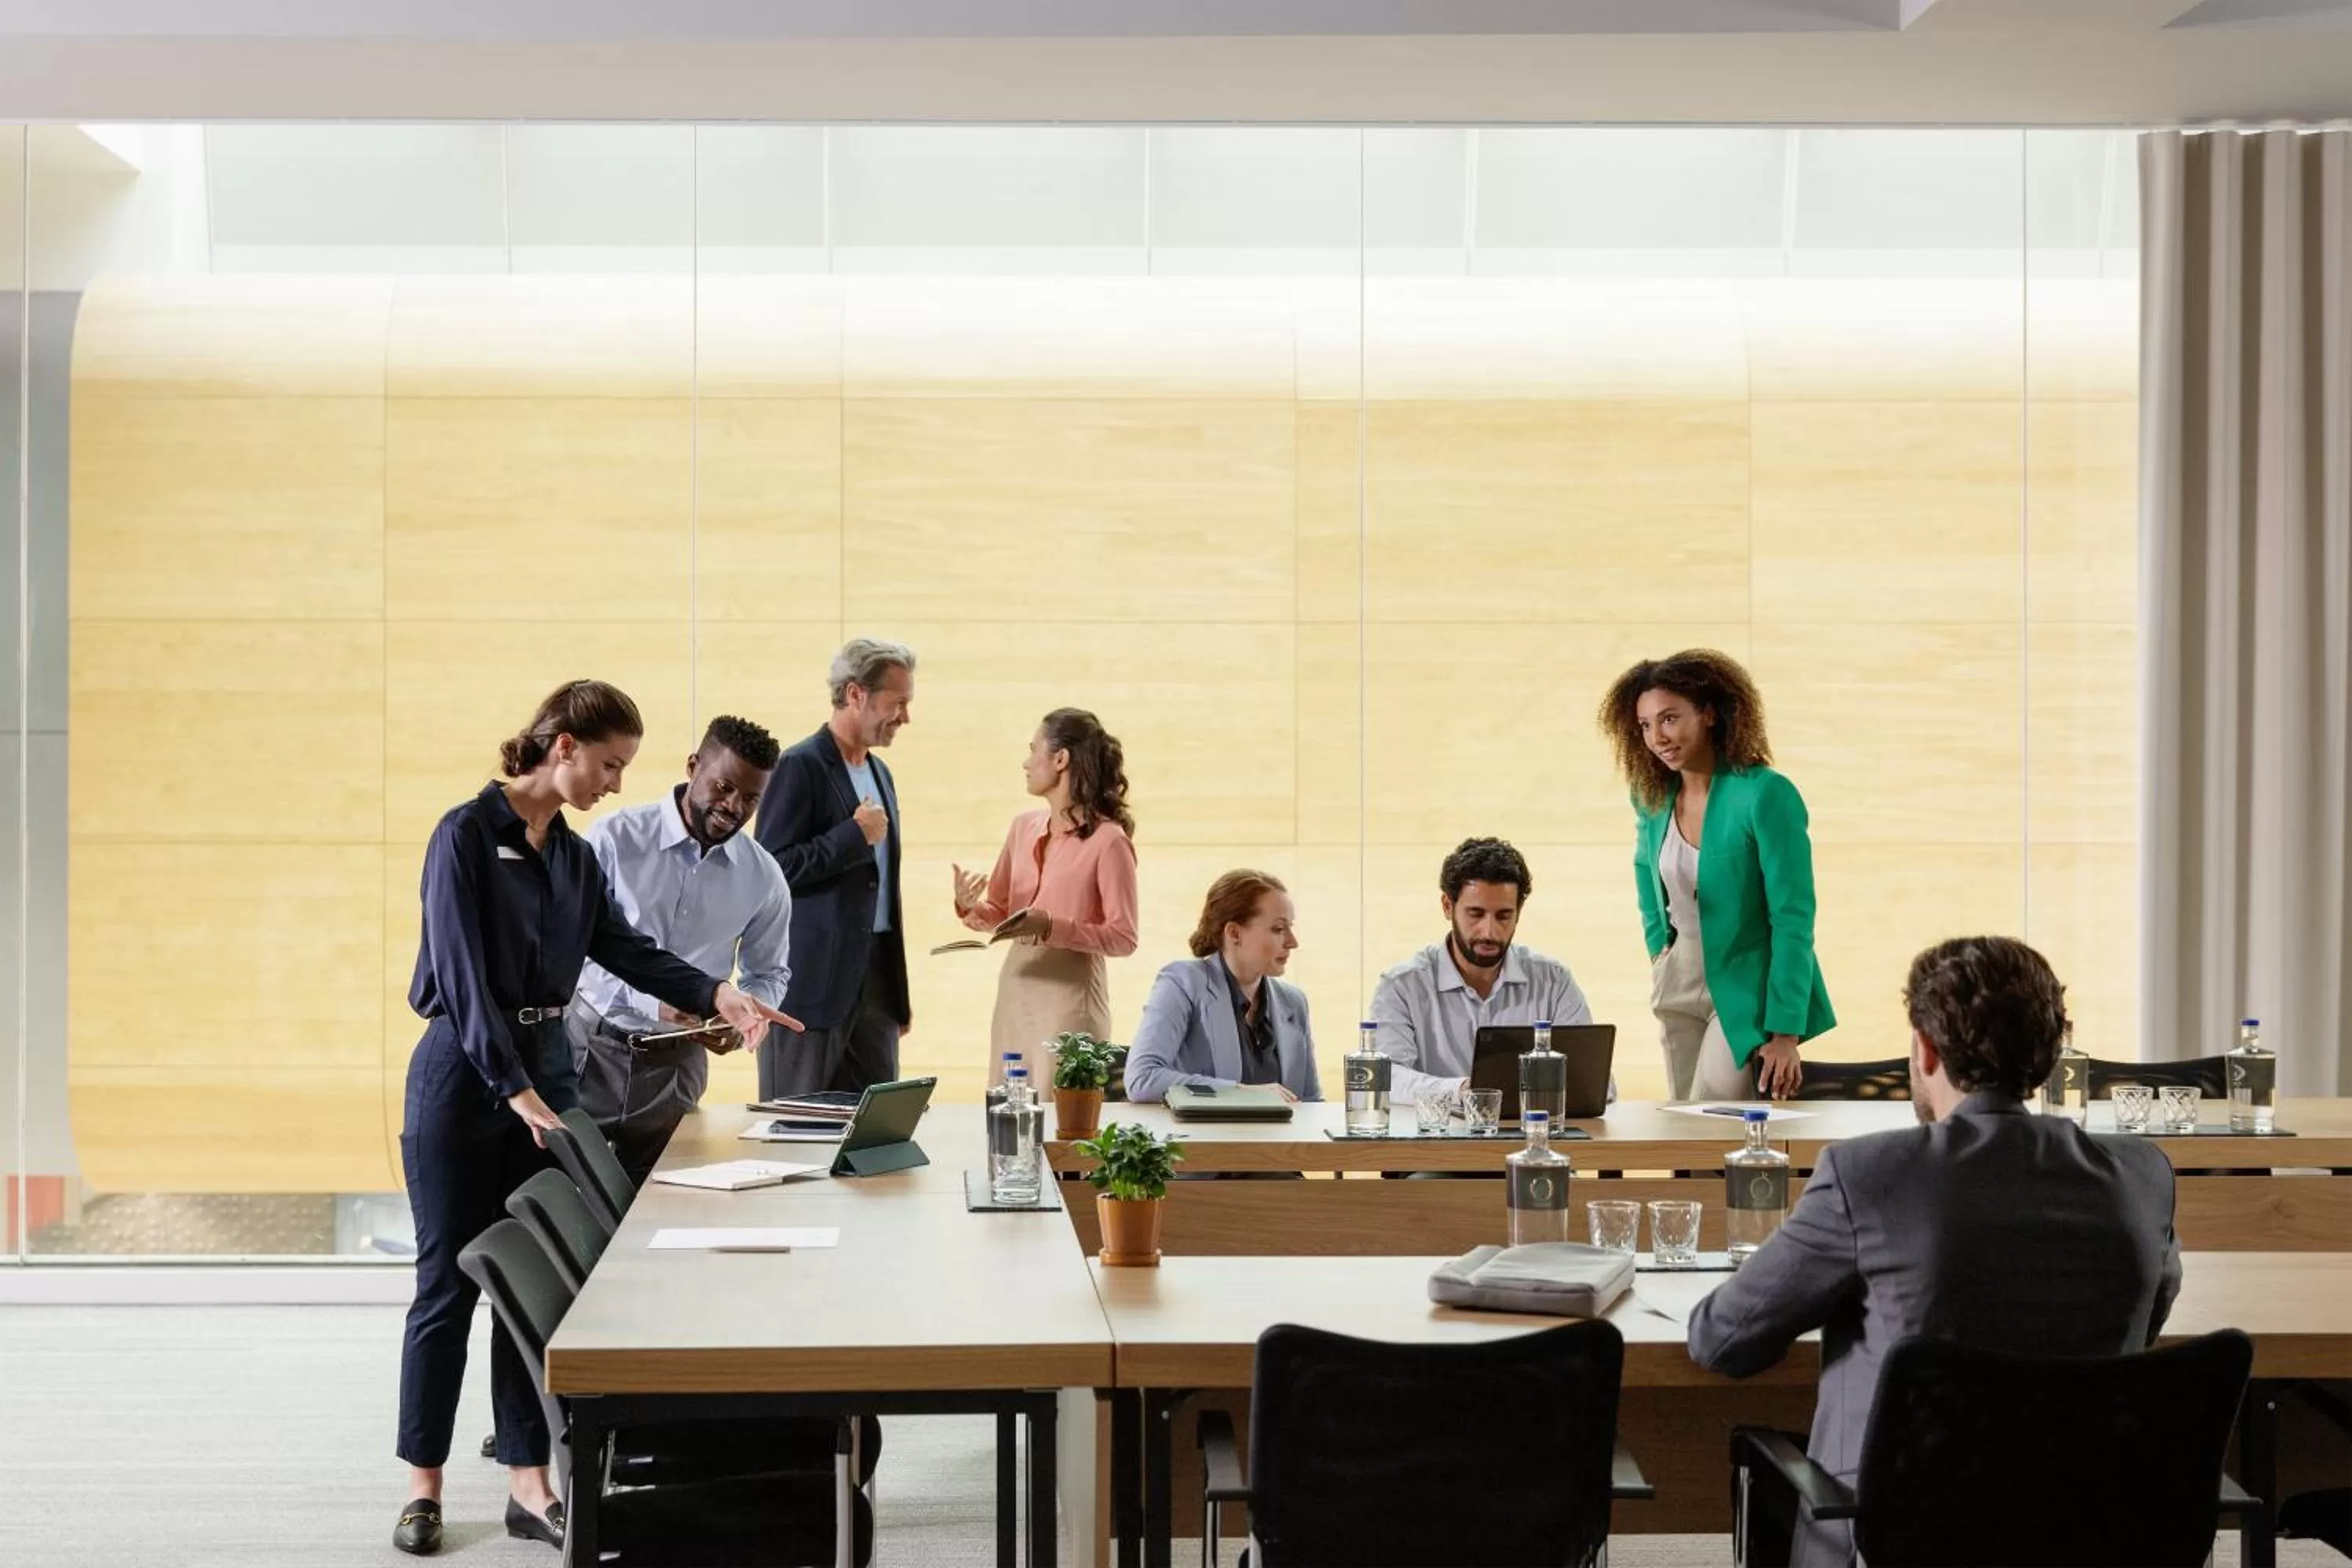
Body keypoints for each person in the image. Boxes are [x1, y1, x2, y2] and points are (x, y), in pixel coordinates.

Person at [394, 681, 796, 1557]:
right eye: (609, 763)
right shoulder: (465, 834)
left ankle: (527, 1483)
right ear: (563, 744)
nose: (616, 783)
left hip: (544, 1074)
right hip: (465, 1079)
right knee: (447, 1285)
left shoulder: (571, 859)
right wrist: (514, 1087)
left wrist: (719, 991)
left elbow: (627, 950)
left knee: (522, 1291)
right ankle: (422, 1485)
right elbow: (460, 978)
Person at [1687, 936, 2183, 1568]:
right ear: (2053, 1048)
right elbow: (2148, 1321)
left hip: (1896, 1539)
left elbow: (1722, 1341)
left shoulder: (1866, 1174)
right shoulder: (2143, 1177)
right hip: (2085, 1531)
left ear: (1923, 1048)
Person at [567, 715, 794, 1188]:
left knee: (665, 1203)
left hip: (678, 1067)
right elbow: (577, 951)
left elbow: (769, 971)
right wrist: (653, 1001)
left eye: (751, 798)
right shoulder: (612, 839)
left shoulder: (763, 876)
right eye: (724, 787)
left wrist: (744, 1016)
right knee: (570, 1200)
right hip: (588, 1050)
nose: (734, 807)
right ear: (694, 766)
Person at [1597, 648, 1833, 1101]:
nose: (1657, 737)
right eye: (1645, 725)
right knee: (1680, 1126)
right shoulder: (1651, 796)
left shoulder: (1765, 795)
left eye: (1669, 719)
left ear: (1708, 714)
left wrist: (1785, 1031)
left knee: (1717, 1111)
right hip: (1677, 975)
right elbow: (1645, 868)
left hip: (1745, 980)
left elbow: (1793, 918)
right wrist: (1658, 950)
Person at [753, 637, 915, 1099]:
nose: (904, 716)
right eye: (898, 703)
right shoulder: (799, 766)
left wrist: (896, 997)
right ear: (855, 694)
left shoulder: (881, 774)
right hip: (810, 987)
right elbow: (771, 870)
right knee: (795, 1127)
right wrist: (850, 837)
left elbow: (882, 893)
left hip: (876, 983)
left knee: (876, 1130)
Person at [953, 708, 1140, 1088]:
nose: (1025, 762)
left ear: (1060, 759)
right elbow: (1002, 912)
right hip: (1015, 995)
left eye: (1032, 749)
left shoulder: (1109, 841)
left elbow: (1123, 938)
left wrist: (1052, 926)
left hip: (1069, 1004)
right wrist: (971, 907)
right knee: (1007, 1117)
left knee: (1059, 1124)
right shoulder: (1023, 828)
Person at [1368, 837, 1593, 1105]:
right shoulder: (1402, 986)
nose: (1489, 932)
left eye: (1503, 916)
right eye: (1476, 914)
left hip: (1529, 1137)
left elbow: (1595, 1083)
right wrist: (1463, 1091)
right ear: (1447, 906)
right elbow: (1386, 1079)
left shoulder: (1554, 982)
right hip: (1435, 1144)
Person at [1123, 869, 1322, 1104]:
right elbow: (1142, 1079)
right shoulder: (1182, 983)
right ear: (1234, 933)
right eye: (1278, 929)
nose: (1292, 942)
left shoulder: (1294, 1001)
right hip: (1206, 1140)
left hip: (1281, 1141)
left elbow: (1310, 1103)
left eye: (1290, 928)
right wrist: (1239, 1093)